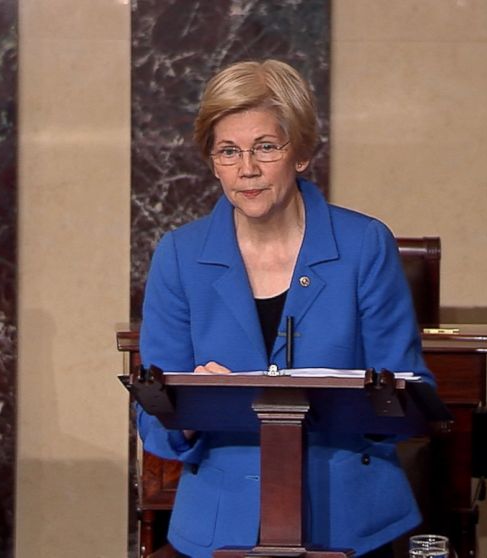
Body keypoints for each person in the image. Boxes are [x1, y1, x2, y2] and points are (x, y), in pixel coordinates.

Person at [137, 59, 434, 558]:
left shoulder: (364, 245)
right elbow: (152, 423)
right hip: (220, 525)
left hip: (353, 521)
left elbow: (411, 394)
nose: (246, 169)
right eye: (228, 151)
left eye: (265, 147)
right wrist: (190, 407)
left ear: (299, 153)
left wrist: (369, 402)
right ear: (212, 161)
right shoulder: (179, 255)